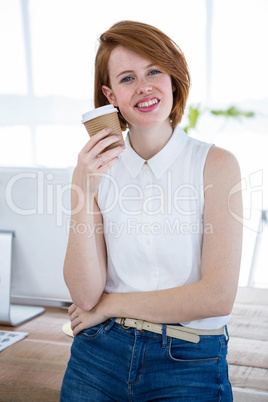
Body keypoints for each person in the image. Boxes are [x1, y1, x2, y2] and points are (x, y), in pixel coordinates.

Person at [60, 20, 243, 401]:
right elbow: (84, 294)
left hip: (188, 356)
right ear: (110, 95)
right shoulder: (99, 171)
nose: (144, 87)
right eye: (127, 78)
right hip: (99, 352)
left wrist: (110, 305)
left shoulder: (217, 165)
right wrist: (81, 188)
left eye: (154, 71)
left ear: (173, 79)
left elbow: (216, 297)